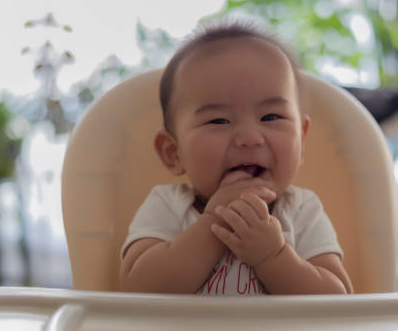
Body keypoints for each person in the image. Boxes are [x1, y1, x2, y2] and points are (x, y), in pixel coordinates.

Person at [119, 22, 353, 295]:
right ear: (174, 152)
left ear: (301, 141)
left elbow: (338, 300)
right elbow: (137, 289)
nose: (250, 137)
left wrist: (274, 257)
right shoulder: (169, 206)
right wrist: (211, 226)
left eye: (271, 117)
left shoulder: (301, 211)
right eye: (219, 120)